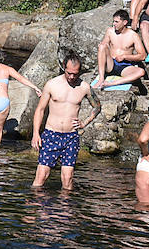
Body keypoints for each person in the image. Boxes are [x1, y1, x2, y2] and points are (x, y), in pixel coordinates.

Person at [31, 52, 99, 190]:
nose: (72, 77)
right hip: (51, 134)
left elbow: (97, 106)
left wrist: (85, 122)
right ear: (63, 67)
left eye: (75, 74)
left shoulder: (84, 87)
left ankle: (65, 209)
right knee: (42, 175)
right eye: (69, 73)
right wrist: (36, 134)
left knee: (67, 178)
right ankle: (36, 208)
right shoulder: (52, 84)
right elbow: (40, 110)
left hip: (71, 137)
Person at [0, 46, 38, 146]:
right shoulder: (7, 69)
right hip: (3, 101)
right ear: (0, 56)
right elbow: (21, 79)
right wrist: (35, 87)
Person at [94, 9, 148, 89]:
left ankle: (111, 84)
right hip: (111, 63)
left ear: (125, 22)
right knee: (102, 46)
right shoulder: (110, 31)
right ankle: (101, 78)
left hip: (125, 66)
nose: (114, 24)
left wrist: (125, 56)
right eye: (113, 21)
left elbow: (143, 56)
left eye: (116, 22)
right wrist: (103, 46)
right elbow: (104, 45)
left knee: (141, 72)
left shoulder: (133, 35)